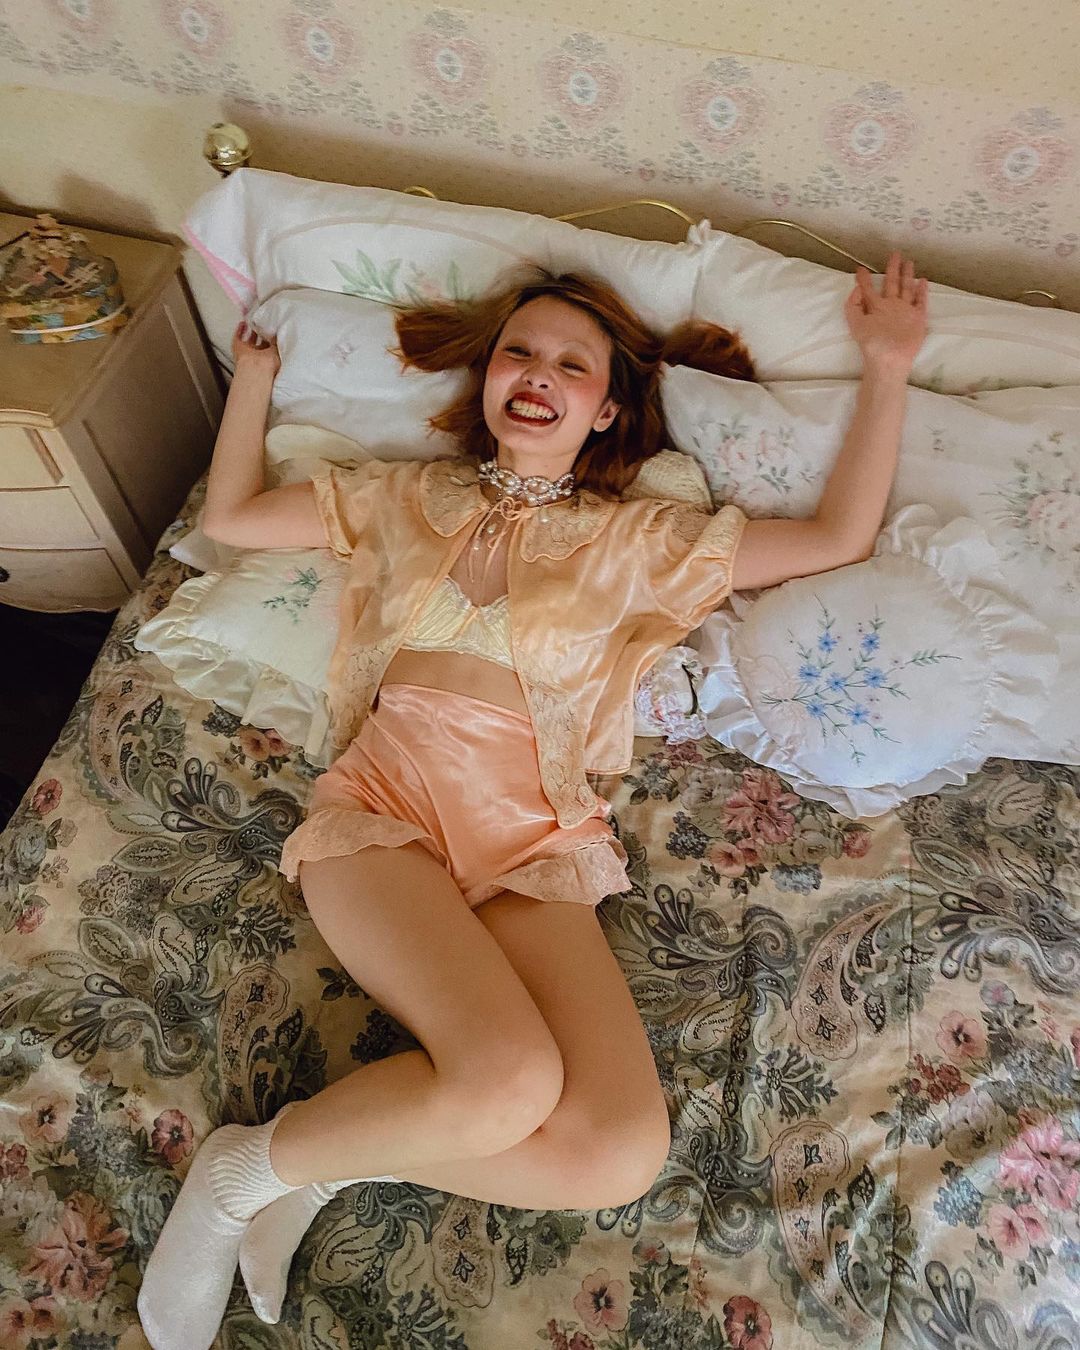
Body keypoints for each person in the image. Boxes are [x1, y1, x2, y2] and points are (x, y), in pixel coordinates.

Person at [137, 252, 928, 1348]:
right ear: (490, 382)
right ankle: (239, 1175)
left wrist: (887, 367)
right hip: (385, 812)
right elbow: (230, 516)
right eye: (519, 351)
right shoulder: (403, 496)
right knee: (507, 1082)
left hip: (534, 841)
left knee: (617, 1153)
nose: (538, 372)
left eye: (572, 363)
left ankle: (321, 1162)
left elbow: (838, 539)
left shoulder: (638, 541)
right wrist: (256, 383)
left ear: (606, 411)